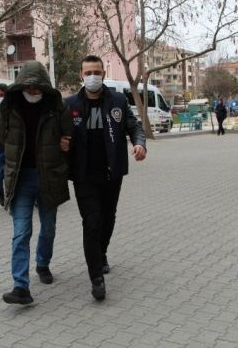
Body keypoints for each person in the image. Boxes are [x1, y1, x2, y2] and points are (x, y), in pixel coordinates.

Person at [64, 55, 147, 301]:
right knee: (92, 222)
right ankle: (96, 278)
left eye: (97, 72)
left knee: (108, 218)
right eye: (88, 72)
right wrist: (61, 143)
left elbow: (134, 126)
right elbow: (58, 133)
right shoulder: (70, 104)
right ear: (81, 75)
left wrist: (140, 143)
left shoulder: (118, 100)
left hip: (112, 172)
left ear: (103, 74)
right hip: (84, 175)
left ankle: (101, 254)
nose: (93, 76)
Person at [0, 61, 72, 305]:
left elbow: (69, 135)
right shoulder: (9, 106)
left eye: (36, 87)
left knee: (48, 227)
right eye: (27, 87)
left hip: (49, 176)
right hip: (21, 178)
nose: (32, 91)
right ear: (20, 86)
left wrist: (66, 143)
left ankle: (43, 263)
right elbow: (1, 136)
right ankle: (21, 287)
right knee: (21, 232)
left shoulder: (57, 106)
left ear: (44, 87)